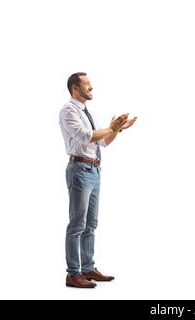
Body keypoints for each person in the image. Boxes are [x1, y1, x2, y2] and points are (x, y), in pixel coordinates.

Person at [59, 72, 137, 288]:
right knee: (77, 223)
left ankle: (87, 268)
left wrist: (117, 130)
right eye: (87, 84)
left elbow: (102, 143)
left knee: (90, 224)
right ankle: (73, 274)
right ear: (75, 88)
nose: (91, 87)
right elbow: (86, 136)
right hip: (80, 169)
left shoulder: (86, 112)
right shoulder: (68, 110)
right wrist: (110, 128)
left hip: (93, 170)